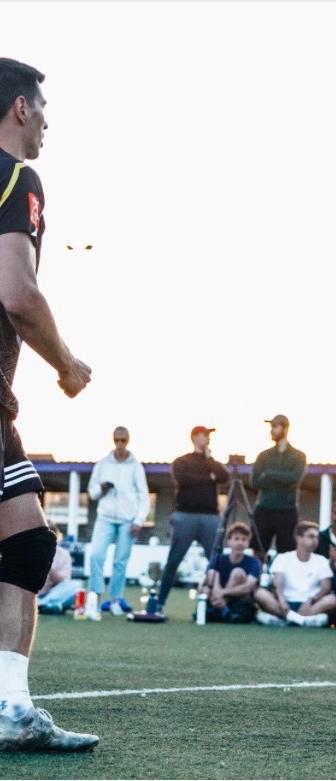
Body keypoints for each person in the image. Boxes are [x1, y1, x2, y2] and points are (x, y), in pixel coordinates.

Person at [0, 58, 98, 751]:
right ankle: (9, 707)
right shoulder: (16, 177)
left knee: (26, 540)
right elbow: (18, 293)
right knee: (28, 540)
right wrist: (67, 364)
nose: (46, 124)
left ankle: (10, 705)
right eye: (42, 109)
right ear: (19, 109)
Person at [157, 426, 229, 612]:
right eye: (205, 435)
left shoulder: (212, 462)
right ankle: (159, 603)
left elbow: (223, 477)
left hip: (210, 517)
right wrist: (208, 478)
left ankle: (221, 605)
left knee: (216, 562)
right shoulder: (182, 461)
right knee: (173, 561)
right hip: (185, 516)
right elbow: (183, 479)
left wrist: (209, 460)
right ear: (195, 437)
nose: (208, 439)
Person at [86, 426, 150, 617]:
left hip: (127, 520)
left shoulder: (136, 466)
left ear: (128, 441)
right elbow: (92, 493)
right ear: (113, 440)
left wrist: (139, 520)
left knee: (120, 562)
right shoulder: (102, 464)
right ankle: (96, 600)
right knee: (96, 556)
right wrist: (102, 488)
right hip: (104, 518)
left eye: (123, 440)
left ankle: (115, 600)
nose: (120, 443)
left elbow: (144, 496)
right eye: (117, 440)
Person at [255, 521, 336, 627]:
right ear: (298, 538)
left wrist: (311, 601)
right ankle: (302, 620)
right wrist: (282, 600)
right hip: (284, 604)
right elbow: (278, 583)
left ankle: (286, 620)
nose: (315, 541)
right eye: (311, 536)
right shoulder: (283, 558)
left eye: (317, 537)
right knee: (260, 593)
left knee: (332, 600)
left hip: (310, 606)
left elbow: (326, 588)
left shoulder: (321, 560)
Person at [251, 414, 306, 559]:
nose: (271, 430)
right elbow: (255, 481)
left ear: (285, 428)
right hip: (264, 508)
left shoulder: (299, 456)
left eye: (275, 426)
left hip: (287, 509)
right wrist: (283, 478)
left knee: (287, 553)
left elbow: (294, 479)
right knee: (258, 549)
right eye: (271, 427)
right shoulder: (263, 455)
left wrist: (268, 473)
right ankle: (257, 574)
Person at [198, 522, 260, 624]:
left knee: (237, 573)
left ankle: (220, 607)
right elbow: (209, 577)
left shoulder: (253, 562)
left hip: (238, 599)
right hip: (216, 595)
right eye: (236, 539)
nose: (240, 543)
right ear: (228, 541)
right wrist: (215, 592)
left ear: (248, 543)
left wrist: (222, 593)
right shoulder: (218, 559)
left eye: (244, 539)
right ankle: (221, 608)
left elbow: (248, 587)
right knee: (211, 578)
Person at [37, 522, 79, 615]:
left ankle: (42, 605)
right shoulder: (29, 551)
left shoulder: (64, 554)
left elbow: (64, 582)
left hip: (52, 593)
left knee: (76, 586)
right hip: (31, 593)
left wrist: (48, 567)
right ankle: (50, 606)